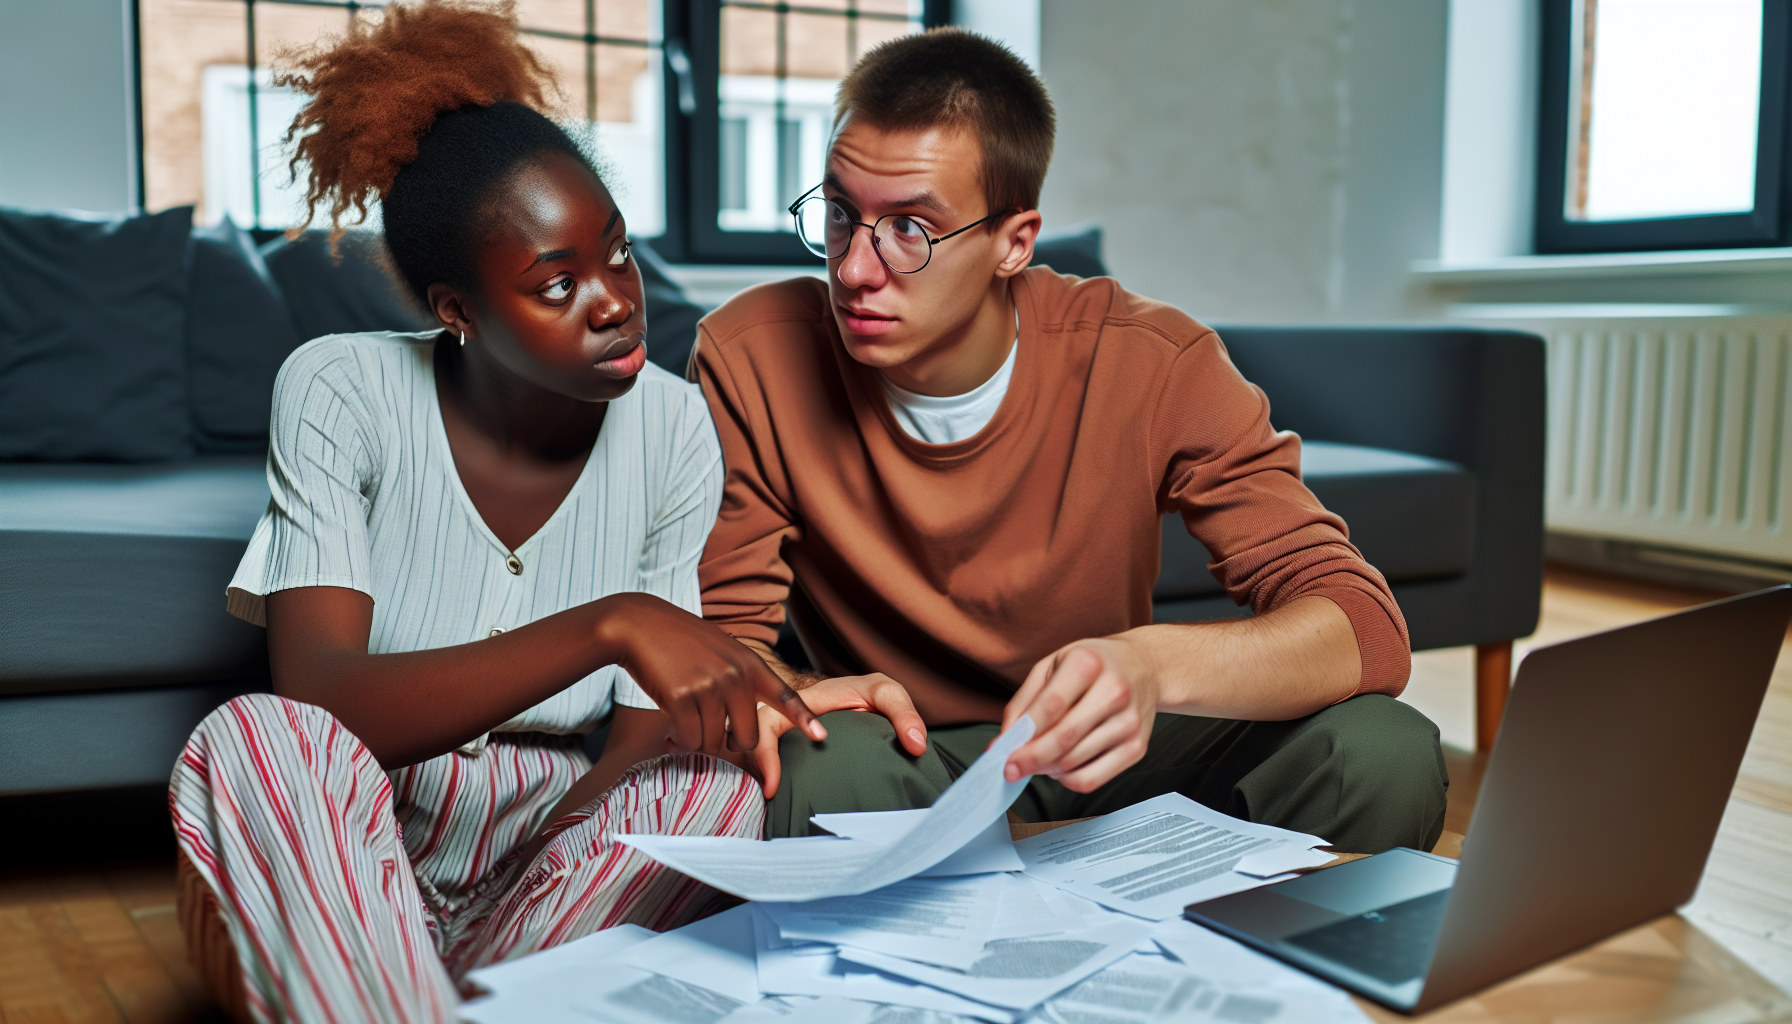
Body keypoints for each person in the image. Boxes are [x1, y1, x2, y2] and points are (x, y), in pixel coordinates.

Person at [167, 4, 862, 1020]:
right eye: (557, 282)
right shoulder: (339, 388)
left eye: (616, 253)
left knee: (709, 788)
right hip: (347, 871)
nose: (616, 300)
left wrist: (764, 696)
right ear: (460, 312)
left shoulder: (672, 426)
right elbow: (324, 700)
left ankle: (454, 1000)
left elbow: (632, 745)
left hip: (533, 885)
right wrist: (608, 621)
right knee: (259, 737)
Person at [697, 28, 1449, 853]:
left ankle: (1237, 977)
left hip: (1112, 749)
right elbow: (717, 643)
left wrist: (1151, 668)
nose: (853, 269)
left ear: (1014, 242)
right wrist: (804, 689)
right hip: (906, 753)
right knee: (813, 766)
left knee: (1381, 751)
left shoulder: (1154, 361)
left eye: (911, 228)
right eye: (842, 214)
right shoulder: (752, 356)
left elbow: (1363, 627)